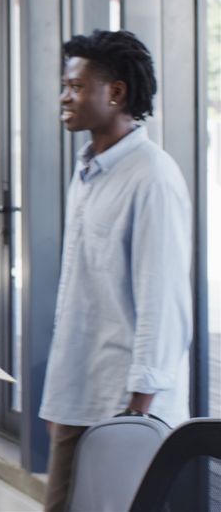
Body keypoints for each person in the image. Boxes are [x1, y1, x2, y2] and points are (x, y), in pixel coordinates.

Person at [39, 30, 192, 512]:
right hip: (79, 391)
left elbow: (162, 302)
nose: (64, 97)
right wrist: (61, 402)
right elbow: (83, 291)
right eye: (65, 85)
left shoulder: (153, 177)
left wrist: (136, 412)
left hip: (124, 404)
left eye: (76, 86)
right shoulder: (88, 170)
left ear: (116, 92)